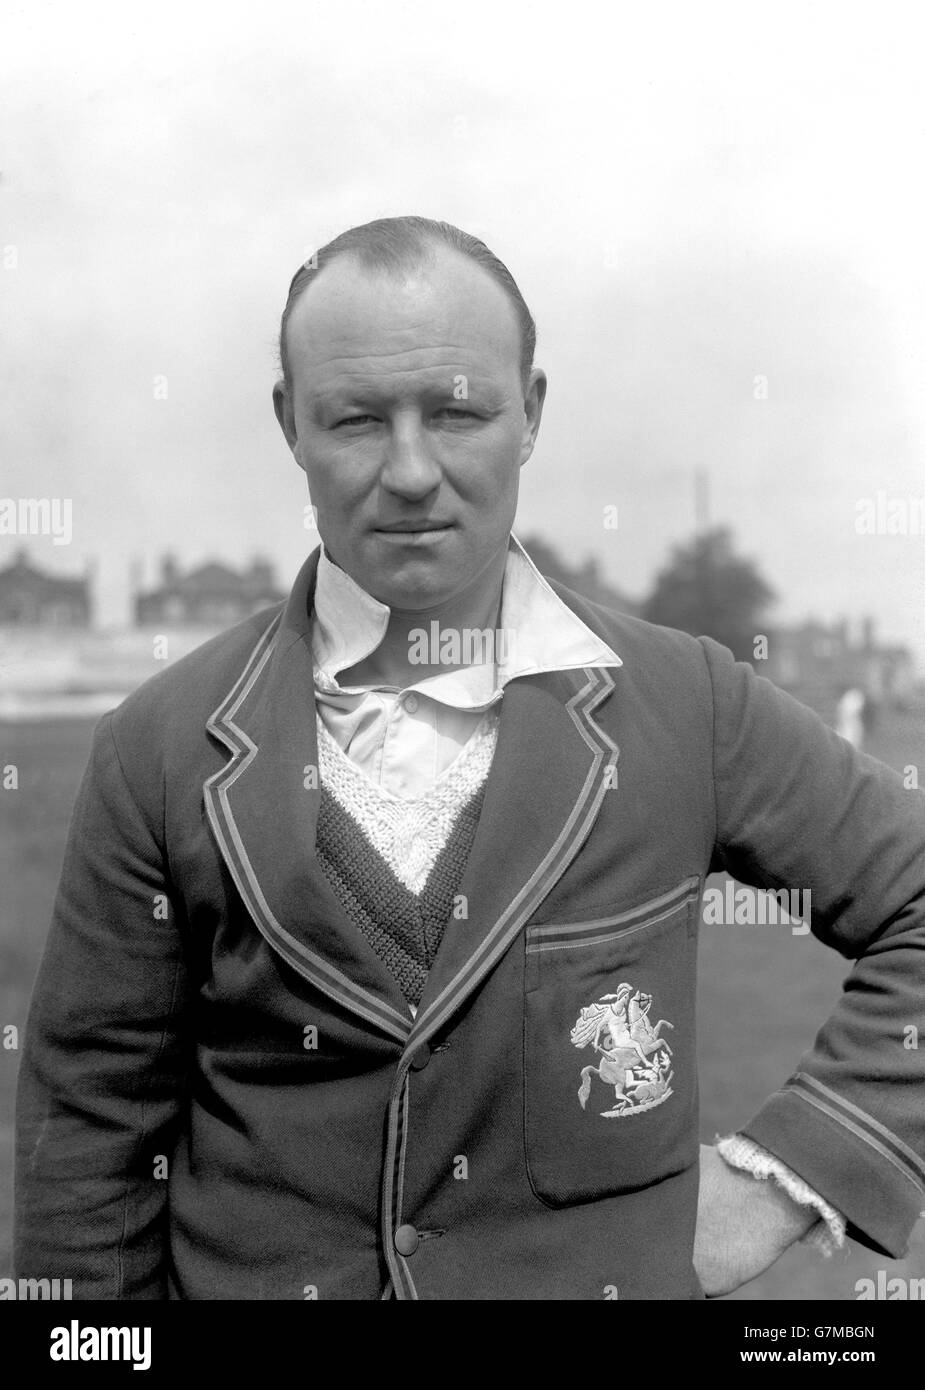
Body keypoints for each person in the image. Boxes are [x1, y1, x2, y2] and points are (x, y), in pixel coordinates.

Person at [15, 217, 925, 1300]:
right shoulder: (158, 744)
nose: (410, 471)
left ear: (530, 413)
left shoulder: (688, 702)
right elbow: (91, 1128)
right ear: (289, 425)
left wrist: (785, 1176)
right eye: (356, 418)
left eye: (456, 410)